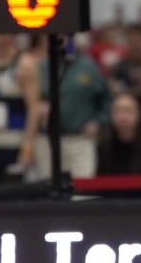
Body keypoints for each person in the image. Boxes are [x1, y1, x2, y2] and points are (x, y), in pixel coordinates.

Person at [28, 35, 111, 181]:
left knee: (81, 192)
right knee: (47, 192)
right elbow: (29, 101)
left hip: (79, 139)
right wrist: (37, 106)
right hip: (46, 141)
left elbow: (107, 101)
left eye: (64, 36)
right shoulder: (40, 67)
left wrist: (98, 122)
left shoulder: (88, 66)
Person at [0, 24, 41, 184]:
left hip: (14, 143)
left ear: (9, 34)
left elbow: (34, 108)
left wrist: (27, 148)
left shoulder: (25, 64)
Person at [96, 92, 141, 199]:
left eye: (127, 111)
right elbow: (99, 187)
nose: (122, 116)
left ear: (138, 114)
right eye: (117, 111)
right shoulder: (103, 147)